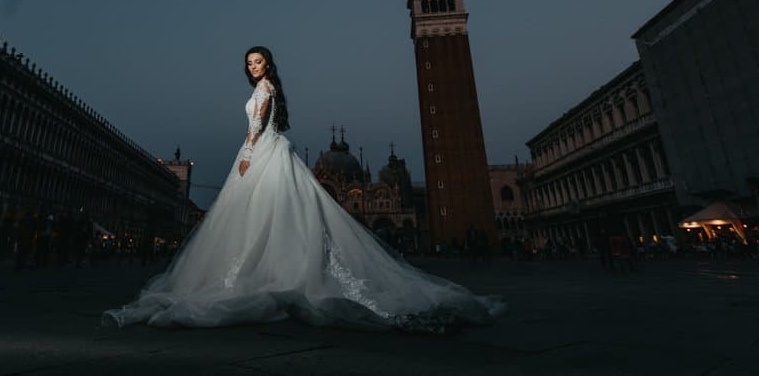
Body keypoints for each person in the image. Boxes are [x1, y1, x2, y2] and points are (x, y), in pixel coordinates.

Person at [103, 46, 504, 332]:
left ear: (267, 65)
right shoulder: (270, 89)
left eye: (258, 61)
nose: (253, 67)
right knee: (277, 211)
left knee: (259, 211)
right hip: (274, 151)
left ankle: (261, 271)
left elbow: (257, 125)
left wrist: (246, 155)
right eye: (248, 63)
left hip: (261, 151)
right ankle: (274, 266)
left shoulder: (264, 91)